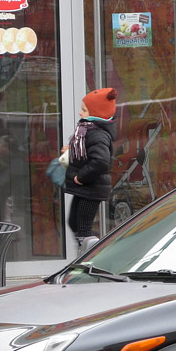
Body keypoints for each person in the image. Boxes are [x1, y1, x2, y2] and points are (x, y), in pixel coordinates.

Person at [63, 88, 118, 250]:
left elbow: (101, 161)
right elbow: (88, 154)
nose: (80, 113)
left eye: (84, 110)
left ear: (96, 113)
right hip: (86, 188)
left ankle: (90, 258)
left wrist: (80, 177)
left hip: (91, 188)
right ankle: (87, 255)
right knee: (74, 223)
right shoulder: (88, 132)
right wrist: (70, 151)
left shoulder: (97, 134)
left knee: (83, 228)